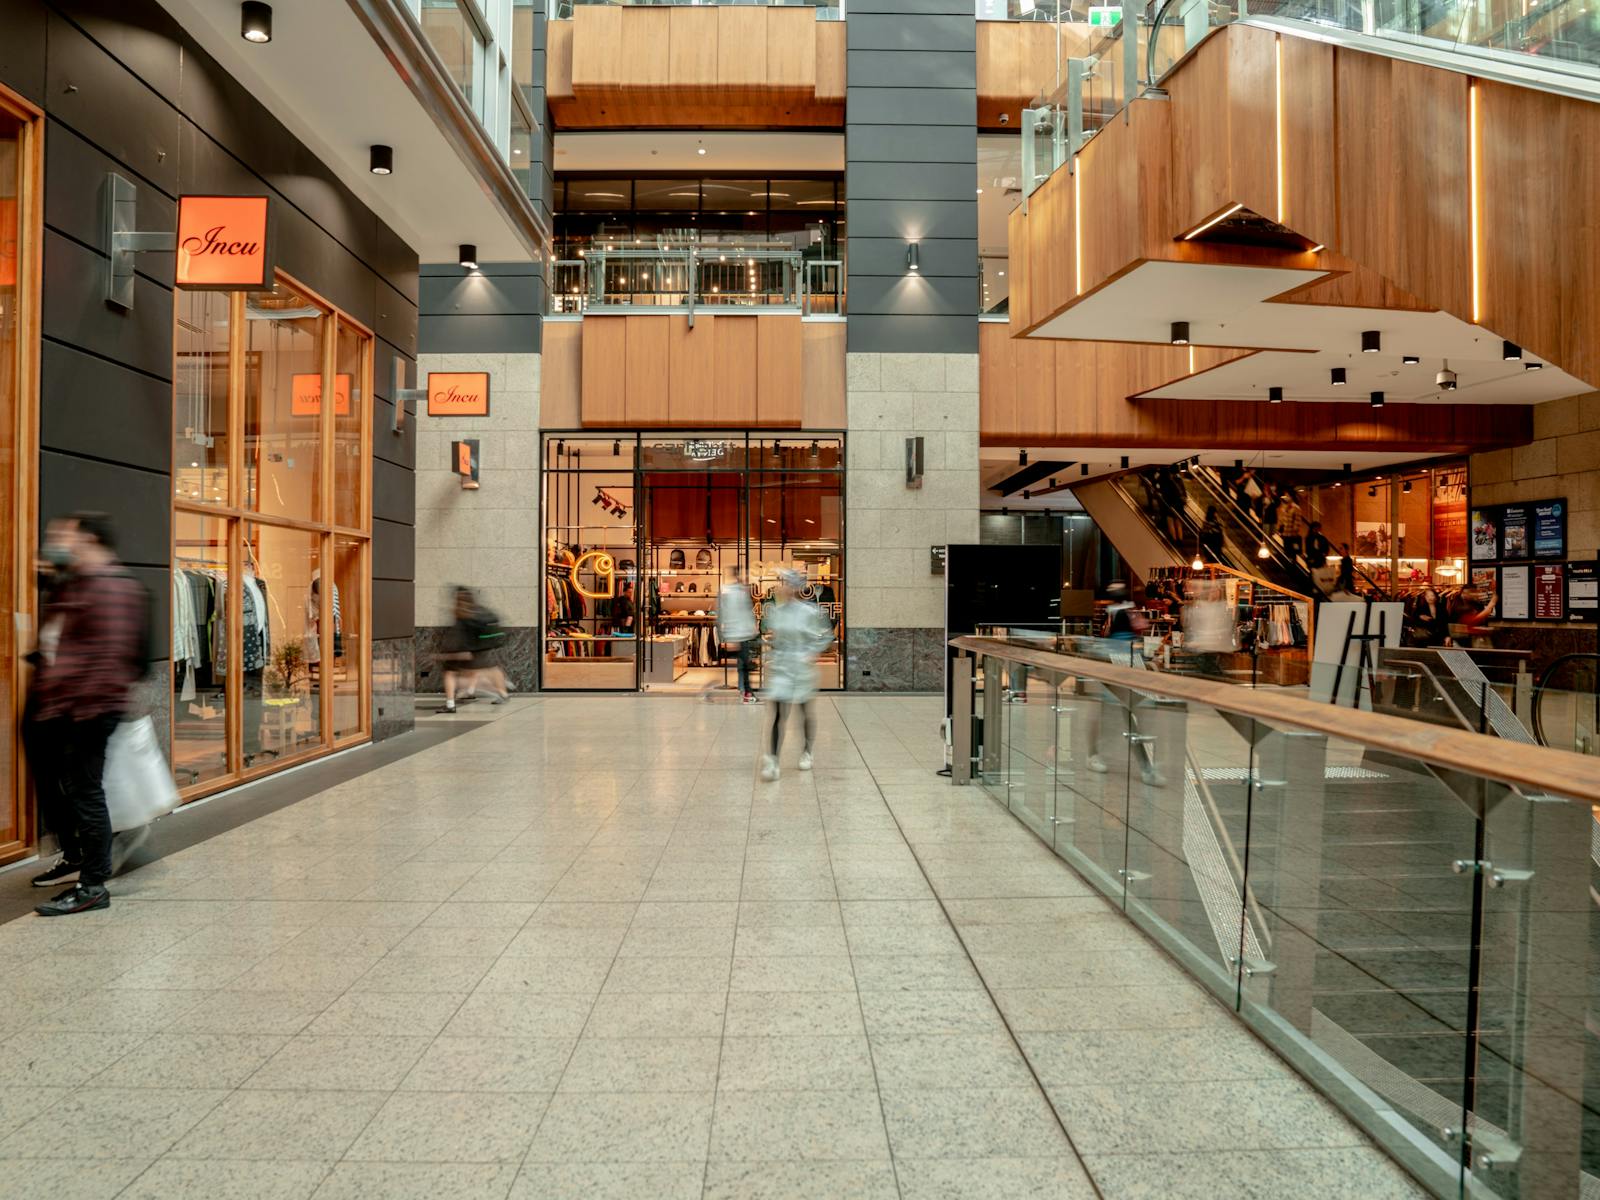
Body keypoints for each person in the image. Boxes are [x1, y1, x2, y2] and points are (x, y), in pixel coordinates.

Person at [26, 512, 148, 916]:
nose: (61, 543)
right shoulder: (85, 584)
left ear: (91, 540)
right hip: (76, 706)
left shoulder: (110, 588)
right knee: (82, 791)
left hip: (88, 709)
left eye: (68, 537)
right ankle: (88, 872)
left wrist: (75, 706)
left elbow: (108, 657)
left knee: (87, 793)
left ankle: (92, 883)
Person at [759, 569, 833, 782]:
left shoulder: (810, 612)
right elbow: (774, 638)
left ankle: (808, 751)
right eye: (783, 584)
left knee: (804, 711)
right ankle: (773, 759)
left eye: (788, 584)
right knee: (778, 712)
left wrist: (812, 652)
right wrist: (770, 652)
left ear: (797, 588)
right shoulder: (777, 612)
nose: (784, 588)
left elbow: (825, 636)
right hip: (782, 669)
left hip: (802, 669)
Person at [440, 586, 509, 713]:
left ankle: (450, 704)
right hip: (481, 649)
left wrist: (447, 653)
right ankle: (502, 693)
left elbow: (458, 636)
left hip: (466, 651)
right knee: (491, 669)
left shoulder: (461, 613)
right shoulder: (480, 611)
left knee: (450, 673)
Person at [718, 566, 758, 702]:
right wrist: (729, 635)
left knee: (744, 665)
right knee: (744, 665)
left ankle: (744, 691)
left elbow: (746, 612)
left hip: (742, 633)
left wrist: (752, 627)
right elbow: (729, 614)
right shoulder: (731, 592)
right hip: (738, 634)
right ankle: (746, 692)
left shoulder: (739, 591)